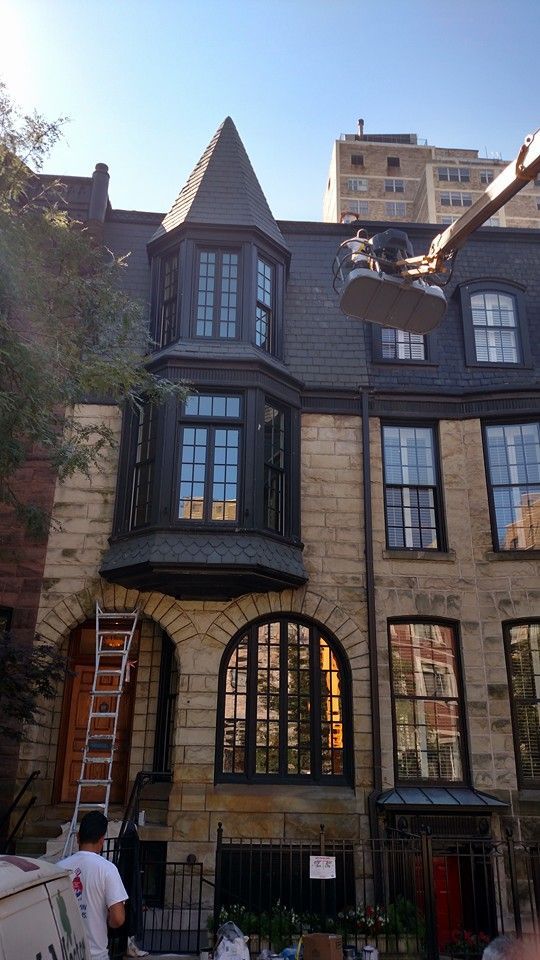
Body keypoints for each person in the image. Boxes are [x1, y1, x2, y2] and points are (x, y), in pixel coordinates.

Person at [59, 810, 128, 960]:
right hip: (95, 954)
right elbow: (118, 918)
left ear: (77, 837)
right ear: (102, 840)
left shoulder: (58, 868)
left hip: (64, 953)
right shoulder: (107, 869)